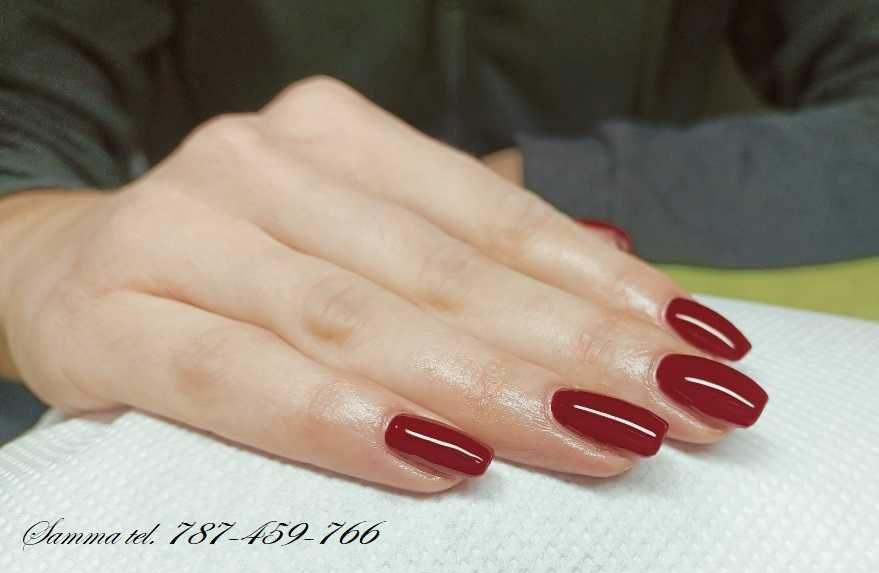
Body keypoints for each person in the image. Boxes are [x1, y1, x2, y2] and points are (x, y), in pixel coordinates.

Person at [2, 0, 871, 492]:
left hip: (624, 304)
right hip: (218, 325)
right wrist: (37, 242)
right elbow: (24, 114)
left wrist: (544, 184)